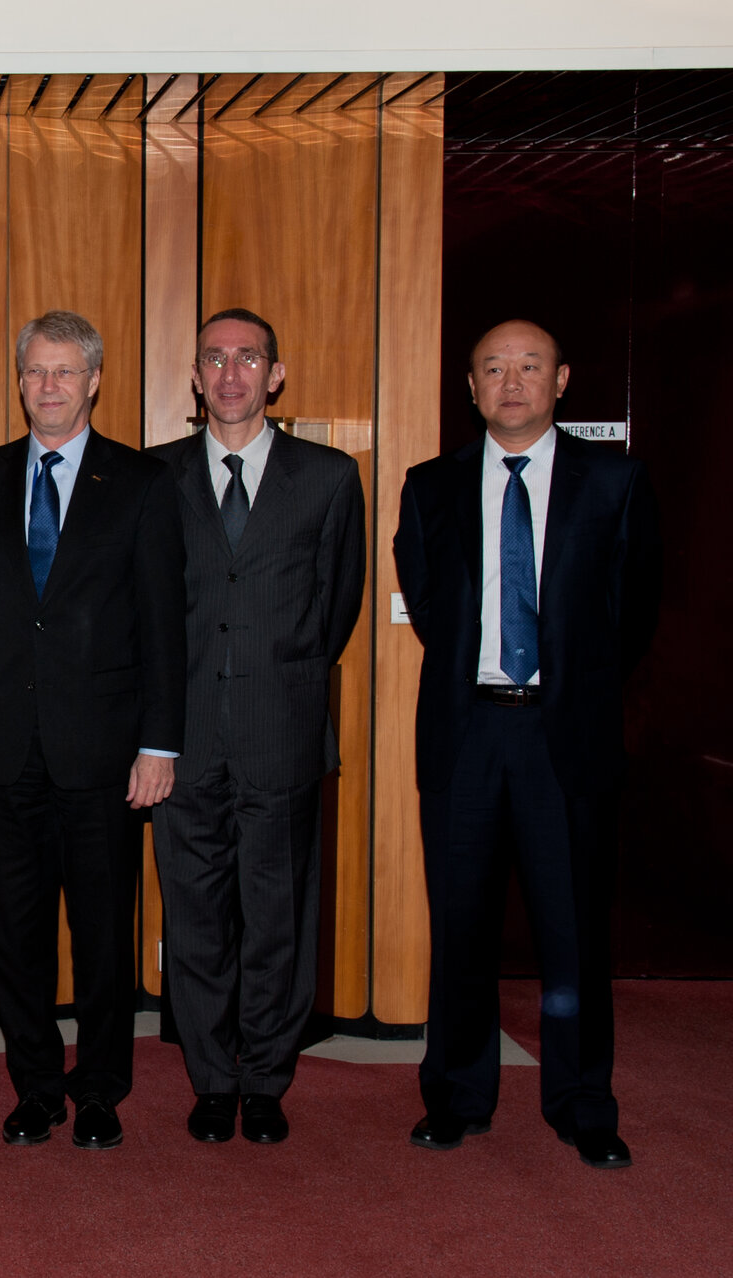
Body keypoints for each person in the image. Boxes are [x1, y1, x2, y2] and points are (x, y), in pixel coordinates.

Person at [393, 319, 660, 1170]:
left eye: (530, 366)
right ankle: (457, 1096)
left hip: (565, 738)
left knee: (573, 930)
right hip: (467, 732)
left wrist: (572, 685)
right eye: (493, 368)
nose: (512, 382)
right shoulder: (430, 486)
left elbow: (634, 613)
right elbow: (431, 604)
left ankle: (583, 1103)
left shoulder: (614, 483)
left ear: (563, 379)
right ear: (470, 388)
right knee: (462, 925)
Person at [0, 309, 185, 1151]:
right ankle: (37, 1089)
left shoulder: (143, 482)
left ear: (93, 381)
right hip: (4, 749)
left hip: (106, 753)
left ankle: (99, 1093)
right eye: (33, 372)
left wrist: (161, 744)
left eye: (63, 373)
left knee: (100, 935)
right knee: (15, 936)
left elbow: (164, 623)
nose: (46, 387)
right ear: (20, 382)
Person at [144, 308, 365, 1144]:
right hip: (182, 738)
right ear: (195, 378)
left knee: (278, 917)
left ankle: (266, 1079)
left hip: (283, 730)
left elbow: (334, 608)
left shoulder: (329, 477)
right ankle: (210, 1079)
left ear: (275, 374)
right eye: (214, 358)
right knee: (194, 916)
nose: (231, 373)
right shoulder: (152, 476)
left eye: (248, 358)